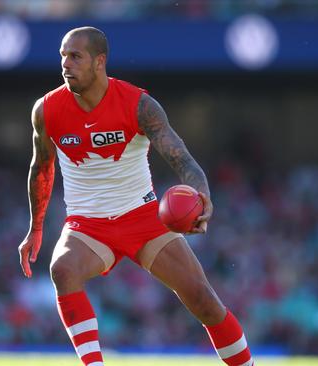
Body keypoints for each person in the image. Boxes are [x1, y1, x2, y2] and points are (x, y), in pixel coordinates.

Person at [18, 26, 254, 366]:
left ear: (100, 61)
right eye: (63, 57)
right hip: (87, 225)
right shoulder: (47, 109)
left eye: (75, 57)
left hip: (143, 218)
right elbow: (41, 166)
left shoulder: (139, 104)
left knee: (204, 300)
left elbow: (181, 158)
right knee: (62, 269)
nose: (66, 65)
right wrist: (36, 228)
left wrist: (202, 194)